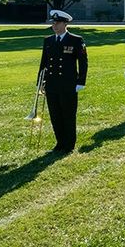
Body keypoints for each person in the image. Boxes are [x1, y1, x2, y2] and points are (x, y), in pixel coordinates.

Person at [40, 10, 88, 153]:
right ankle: (60, 142)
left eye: (58, 23)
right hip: (52, 84)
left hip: (68, 84)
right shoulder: (48, 41)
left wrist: (81, 81)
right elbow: (44, 63)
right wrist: (40, 82)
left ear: (65, 23)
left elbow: (83, 62)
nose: (54, 25)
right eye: (53, 23)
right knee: (55, 115)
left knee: (68, 114)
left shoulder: (76, 40)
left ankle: (69, 144)